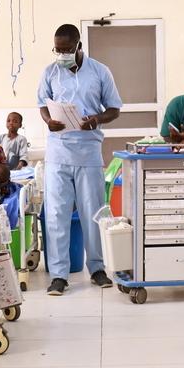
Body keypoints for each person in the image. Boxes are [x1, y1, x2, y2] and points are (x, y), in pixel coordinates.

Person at [37, 23, 122, 296]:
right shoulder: (50, 72)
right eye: (57, 50)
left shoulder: (99, 71)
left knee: (93, 212)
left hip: (88, 151)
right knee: (57, 214)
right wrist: (49, 121)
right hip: (58, 152)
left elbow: (114, 109)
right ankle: (59, 275)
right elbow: (42, 104)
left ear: (79, 46)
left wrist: (96, 119)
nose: (61, 54)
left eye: (66, 50)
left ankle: (97, 268)